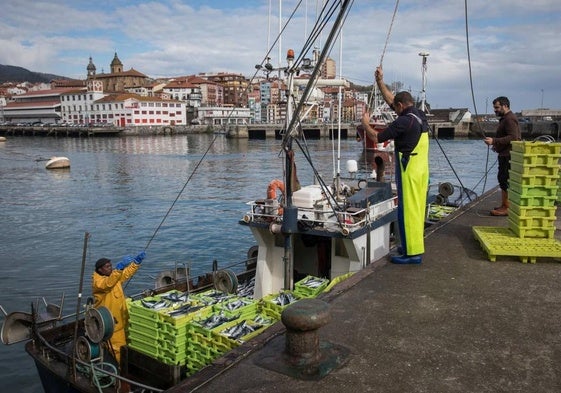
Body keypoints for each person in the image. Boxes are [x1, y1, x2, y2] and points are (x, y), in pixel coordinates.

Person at [361, 66, 429, 264]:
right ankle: (409, 245)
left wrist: (365, 123)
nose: (394, 108)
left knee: (407, 211)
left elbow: (376, 136)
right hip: (420, 168)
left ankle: (411, 254)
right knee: (414, 209)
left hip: (409, 169)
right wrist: (380, 82)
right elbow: (392, 99)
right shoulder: (418, 114)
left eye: (395, 106)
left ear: (401, 106)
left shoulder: (404, 122)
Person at [92, 251, 146, 364]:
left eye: (110, 265)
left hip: (122, 318)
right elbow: (108, 284)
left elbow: (125, 274)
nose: (110, 268)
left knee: (126, 343)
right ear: (100, 270)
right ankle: (120, 371)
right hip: (111, 324)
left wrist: (136, 263)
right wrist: (118, 269)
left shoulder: (113, 276)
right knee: (118, 349)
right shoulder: (98, 283)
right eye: (107, 267)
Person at [483, 96, 521, 216]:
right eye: (494, 108)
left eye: (497, 107)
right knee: (502, 179)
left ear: (505, 106)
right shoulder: (506, 118)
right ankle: (505, 205)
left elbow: (513, 137)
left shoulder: (510, 119)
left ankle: (507, 207)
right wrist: (496, 145)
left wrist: (494, 141)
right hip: (504, 154)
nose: (495, 110)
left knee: (505, 180)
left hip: (508, 155)